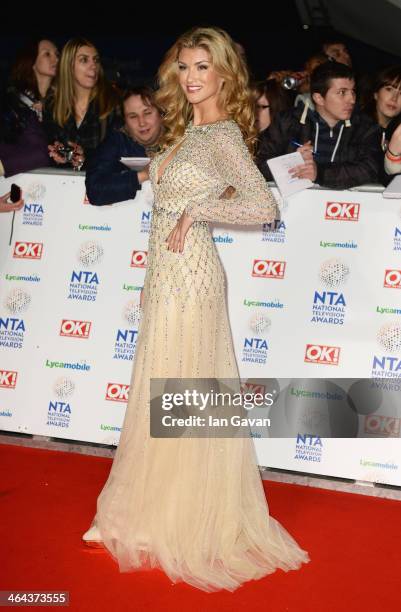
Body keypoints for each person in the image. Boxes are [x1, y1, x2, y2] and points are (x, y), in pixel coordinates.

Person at [82, 26, 310, 592]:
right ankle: (138, 510)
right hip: (167, 277)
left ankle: (181, 516)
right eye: (183, 67)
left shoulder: (224, 135)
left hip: (194, 280)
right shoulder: (187, 131)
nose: (190, 78)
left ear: (224, 74)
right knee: (159, 387)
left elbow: (263, 204)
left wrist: (201, 211)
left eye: (202, 67)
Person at [256, 61, 382, 189]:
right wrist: (292, 162)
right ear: (319, 98)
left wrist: (320, 173)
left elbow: (370, 168)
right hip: (294, 205)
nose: (352, 99)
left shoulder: (365, 127)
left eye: (353, 91)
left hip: (343, 206)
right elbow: (259, 166)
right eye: (342, 92)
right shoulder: (288, 121)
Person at [43, 37, 119, 170]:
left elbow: (120, 153)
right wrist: (56, 154)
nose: (93, 65)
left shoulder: (112, 103)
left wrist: (86, 157)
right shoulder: (52, 106)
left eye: (95, 60)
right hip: (61, 183)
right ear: (68, 66)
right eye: (84, 60)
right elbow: (47, 148)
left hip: (102, 185)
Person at [85, 86, 163, 206]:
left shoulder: (179, 137)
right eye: (133, 116)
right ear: (125, 121)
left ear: (161, 114)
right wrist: (143, 175)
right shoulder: (118, 140)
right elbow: (95, 190)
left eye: (147, 113)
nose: (142, 122)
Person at [0, 38, 58, 178]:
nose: (56, 58)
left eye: (57, 54)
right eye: (47, 54)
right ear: (32, 62)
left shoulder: (61, 103)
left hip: (50, 180)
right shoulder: (12, 100)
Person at [360, 65, 401, 150]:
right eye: (389, 89)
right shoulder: (354, 125)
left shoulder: (397, 136)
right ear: (376, 94)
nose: (394, 98)